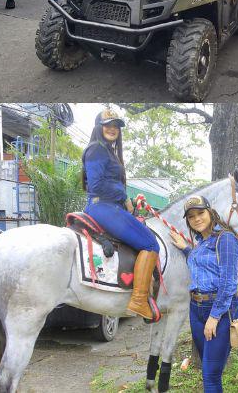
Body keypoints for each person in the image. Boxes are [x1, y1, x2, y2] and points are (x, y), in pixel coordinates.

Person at [81, 109, 160, 321]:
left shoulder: (107, 151)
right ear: (98, 127)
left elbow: (109, 185)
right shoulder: (97, 149)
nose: (112, 128)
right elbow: (96, 185)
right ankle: (139, 301)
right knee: (151, 244)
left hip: (109, 206)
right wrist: (124, 197)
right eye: (107, 124)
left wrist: (131, 202)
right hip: (103, 208)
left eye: (116, 125)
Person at [168, 196, 238, 392]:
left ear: (210, 212)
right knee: (208, 369)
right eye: (191, 216)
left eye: (200, 213)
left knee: (210, 375)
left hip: (219, 310)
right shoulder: (201, 242)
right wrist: (185, 248)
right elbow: (200, 262)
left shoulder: (226, 239)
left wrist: (214, 317)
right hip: (196, 310)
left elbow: (229, 282)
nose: (197, 219)